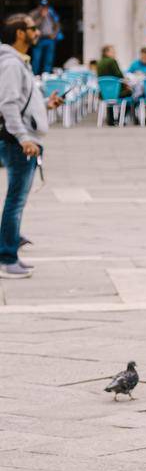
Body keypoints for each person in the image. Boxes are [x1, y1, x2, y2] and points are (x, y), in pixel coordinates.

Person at [0, 14, 62, 278]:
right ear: (19, 33)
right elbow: (8, 104)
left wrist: (46, 105)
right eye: (33, 28)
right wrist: (24, 138)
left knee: (17, 199)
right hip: (18, 142)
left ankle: (9, 249)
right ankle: (6, 257)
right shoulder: (12, 64)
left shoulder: (19, 63)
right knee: (15, 200)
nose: (38, 32)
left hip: (22, 138)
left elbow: (21, 100)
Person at [29, 0, 62, 77]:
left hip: (50, 39)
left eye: (46, 6)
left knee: (48, 59)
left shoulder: (51, 13)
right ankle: (35, 76)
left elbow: (57, 24)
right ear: (39, 6)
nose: (44, 8)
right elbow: (32, 27)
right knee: (36, 59)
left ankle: (46, 76)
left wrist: (55, 34)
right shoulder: (34, 13)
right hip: (39, 39)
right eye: (42, 6)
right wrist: (42, 16)